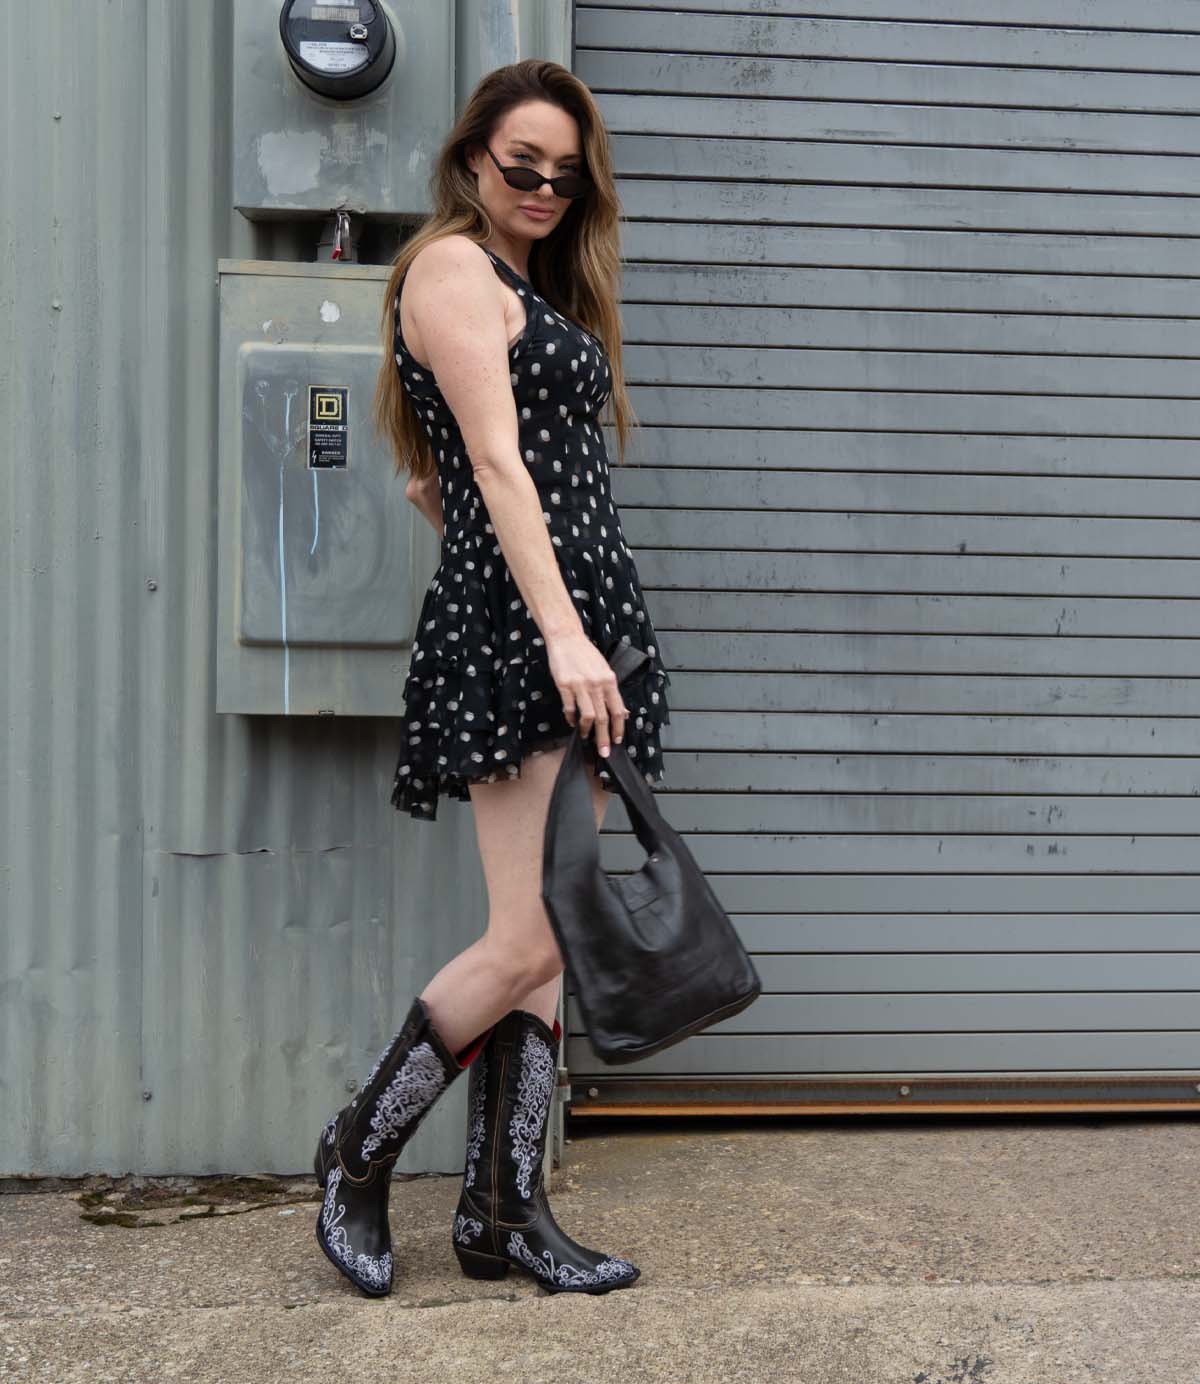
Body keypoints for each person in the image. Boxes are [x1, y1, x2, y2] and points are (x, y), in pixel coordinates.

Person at [312, 59, 671, 1299]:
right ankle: (356, 1149)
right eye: (522, 165)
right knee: (526, 937)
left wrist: (577, 619)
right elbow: (496, 466)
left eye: (566, 177)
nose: (542, 189)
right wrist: (561, 636)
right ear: (472, 159)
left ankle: (504, 1213)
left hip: (568, 624)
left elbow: (456, 484)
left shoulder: (529, 285)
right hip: (533, 637)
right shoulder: (452, 266)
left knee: (551, 939)